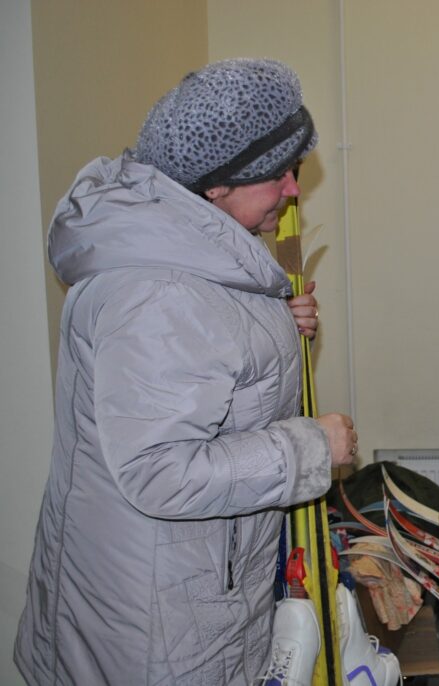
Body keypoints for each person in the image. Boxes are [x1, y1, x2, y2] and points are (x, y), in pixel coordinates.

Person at [15, 58, 357, 685]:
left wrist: (277, 319)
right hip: (156, 628)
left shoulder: (190, 254)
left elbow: (210, 362)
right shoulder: (156, 293)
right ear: (215, 187)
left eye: (294, 171)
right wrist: (313, 447)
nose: (291, 191)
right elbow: (161, 471)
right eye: (276, 176)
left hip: (184, 597)